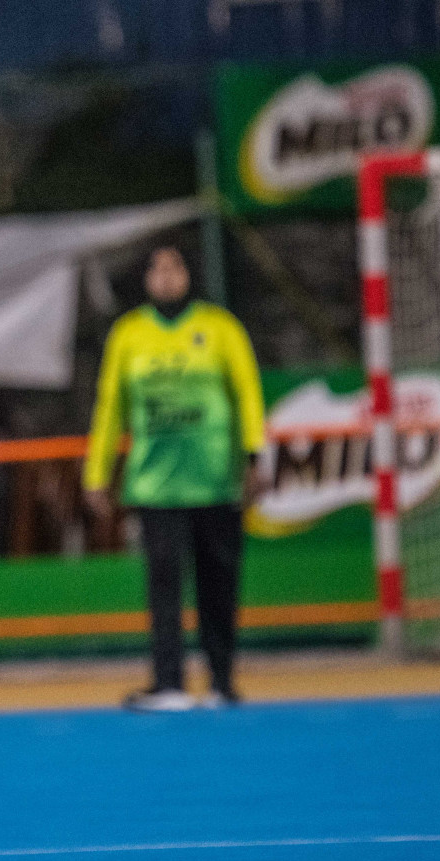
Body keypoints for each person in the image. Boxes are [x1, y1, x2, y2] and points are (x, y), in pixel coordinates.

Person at [82, 246, 265, 712]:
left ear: (189, 273)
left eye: (175, 267)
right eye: (156, 268)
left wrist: (255, 456)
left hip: (215, 480)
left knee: (218, 582)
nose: (166, 277)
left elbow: (247, 392)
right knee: (163, 585)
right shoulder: (129, 333)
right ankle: (169, 684)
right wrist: (96, 473)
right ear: (145, 278)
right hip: (157, 484)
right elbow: (109, 407)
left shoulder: (221, 328)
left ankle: (222, 682)